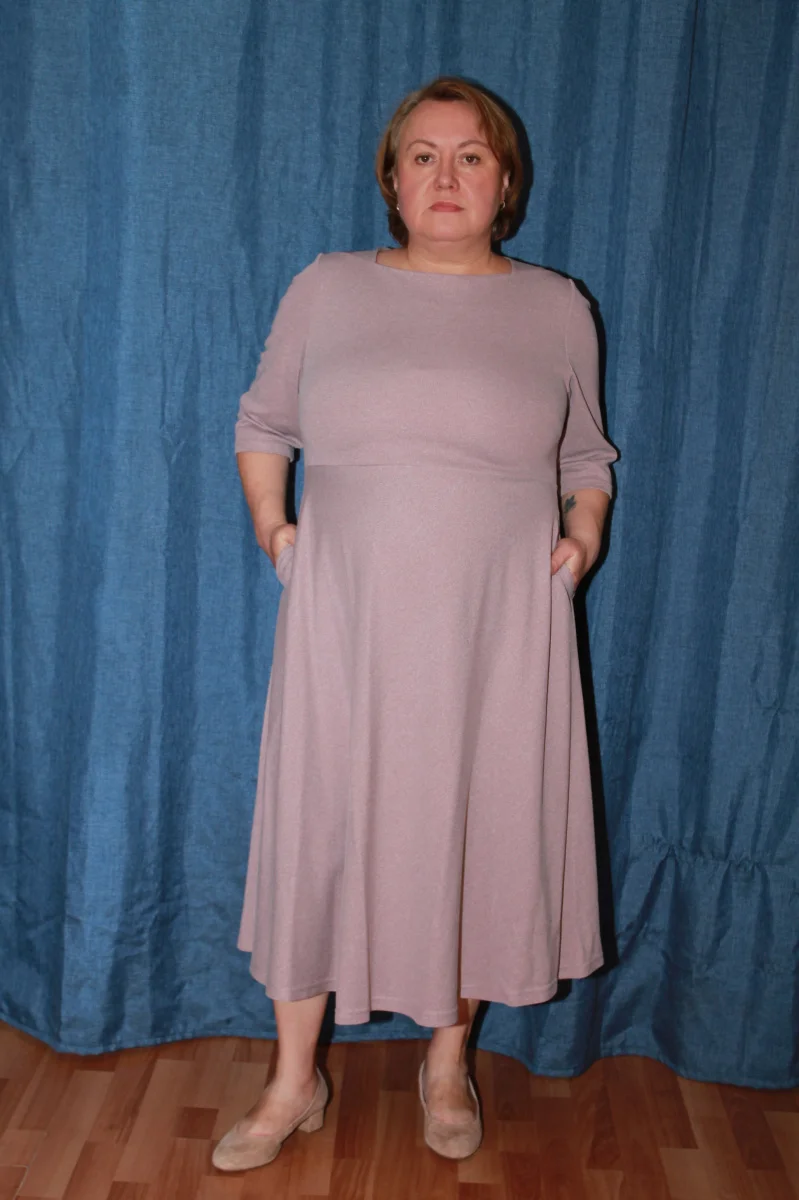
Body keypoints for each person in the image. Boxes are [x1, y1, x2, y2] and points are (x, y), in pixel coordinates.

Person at [213, 75, 617, 1171]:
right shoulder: (328, 286)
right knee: (319, 830)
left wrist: (580, 539)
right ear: (391, 181)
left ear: (505, 183)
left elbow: (586, 453)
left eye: (471, 156)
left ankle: (447, 1064)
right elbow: (264, 422)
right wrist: (277, 531)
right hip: (348, 621)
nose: (447, 175)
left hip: (500, 631)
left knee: (482, 828)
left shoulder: (556, 307)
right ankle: (293, 1079)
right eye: (424, 156)